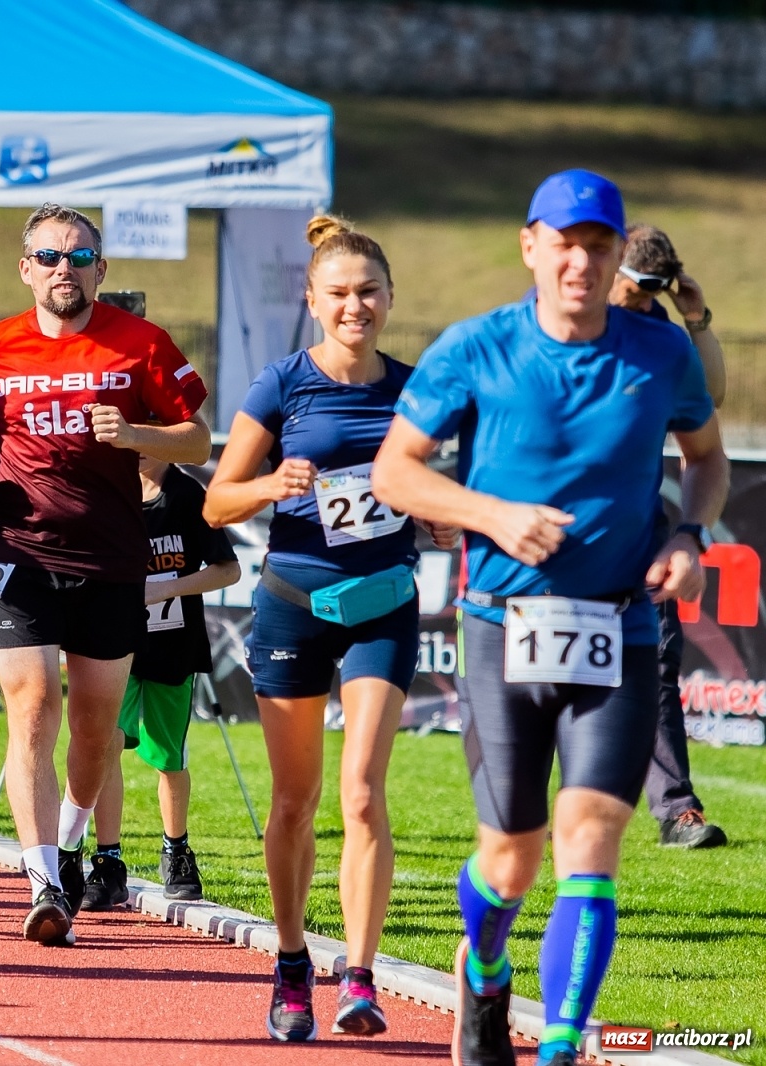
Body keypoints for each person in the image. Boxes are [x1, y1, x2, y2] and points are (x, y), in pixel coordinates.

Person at [372, 170, 728, 1066]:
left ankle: (563, 1043)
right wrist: (491, 514)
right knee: (512, 858)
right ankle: (484, 967)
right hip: (502, 625)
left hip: (621, 625)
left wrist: (689, 532)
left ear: (615, 260)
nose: (579, 260)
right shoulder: (475, 348)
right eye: (562, 242)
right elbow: (395, 473)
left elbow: (709, 456)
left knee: (594, 835)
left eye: (597, 246)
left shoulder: (658, 354)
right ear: (530, 246)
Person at [205, 215, 456, 1041]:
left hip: (383, 603)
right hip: (293, 604)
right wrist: (273, 482)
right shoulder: (281, 384)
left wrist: (444, 520)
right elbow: (217, 500)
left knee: (361, 794)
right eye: (340, 294)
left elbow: (428, 490)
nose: (357, 306)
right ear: (313, 301)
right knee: (294, 799)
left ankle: (360, 975)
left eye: (370, 293)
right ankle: (288, 963)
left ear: (390, 299)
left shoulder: (416, 389)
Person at [0, 203, 210, 946]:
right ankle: (40, 882)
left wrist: (133, 433)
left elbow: (195, 434)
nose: (65, 268)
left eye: (81, 256)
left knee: (96, 730)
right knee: (33, 705)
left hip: (109, 559)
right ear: (26, 267)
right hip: (17, 552)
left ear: (103, 268)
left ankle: (67, 847)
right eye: (51, 256)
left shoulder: (142, 345)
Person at [607, 225, 728, 850]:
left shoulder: (660, 334)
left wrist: (696, 317)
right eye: (636, 285)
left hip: (640, 524)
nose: (641, 299)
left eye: (654, 289)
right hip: (553, 527)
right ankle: (531, 809)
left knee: (655, 662)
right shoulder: (573, 315)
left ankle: (677, 809)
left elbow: (711, 401)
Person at [83, 454, 240, 911]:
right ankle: (108, 860)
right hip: (114, 645)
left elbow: (228, 569)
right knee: (106, 744)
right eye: (135, 427)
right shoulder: (106, 488)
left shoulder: (187, 495)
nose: (143, 442)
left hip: (173, 648)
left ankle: (176, 850)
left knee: (169, 757)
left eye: (155, 428)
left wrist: (163, 588)